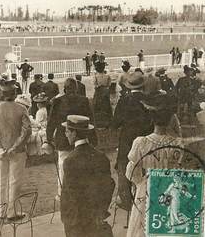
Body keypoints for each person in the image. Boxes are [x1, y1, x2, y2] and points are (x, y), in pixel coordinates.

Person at [125, 94, 183, 237]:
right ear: (170, 120)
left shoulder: (141, 142)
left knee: (143, 226)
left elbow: (131, 172)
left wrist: (141, 182)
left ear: (152, 119)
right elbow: (180, 171)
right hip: (169, 190)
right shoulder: (177, 144)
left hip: (147, 189)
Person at [0, 79, 32, 221]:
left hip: (1, 151)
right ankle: (12, 212)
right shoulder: (21, 108)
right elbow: (27, 130)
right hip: (17, 151)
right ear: (14, 93)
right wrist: (15, 146)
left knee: (1, 180)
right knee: (15, 181)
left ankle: (1, 212)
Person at [61, 115, 114, 237]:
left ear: (74, 133)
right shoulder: (101, 156)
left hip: (77, 222)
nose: (65, 134)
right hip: (97, 217)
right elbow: (109, 185)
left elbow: (71, 195)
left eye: (67, 131)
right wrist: (101, 210)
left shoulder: (70, 160)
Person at [111, 72, 153, 211]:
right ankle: (145, 198)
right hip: (147, 140)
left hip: (127, 140)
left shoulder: (125, 100)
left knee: (124, 166)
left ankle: (126, 200)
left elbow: (115, 123)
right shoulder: (150, 99)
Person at [45, 78, 93, 198]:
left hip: (63, 138)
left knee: (63, 166)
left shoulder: (58, 101)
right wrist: (93, 139)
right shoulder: (83, 100)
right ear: (76, 89)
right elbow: (91, 121)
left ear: (64, 89)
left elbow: (51, 122)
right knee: (81, 166)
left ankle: (62, 194)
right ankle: (80, 192)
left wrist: (48, 139)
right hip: (80, 138)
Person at [93, 62, 112, 128]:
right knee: (106, 106)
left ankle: (99, 123)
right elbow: (109, 85)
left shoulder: (96, 76)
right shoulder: (107, 76)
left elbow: (95, 85)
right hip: (105, 92)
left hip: (98, 92)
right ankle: (107, 122)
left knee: (98, 106)